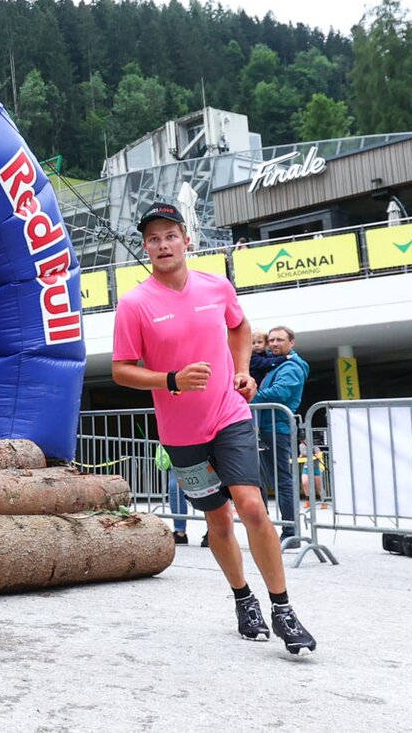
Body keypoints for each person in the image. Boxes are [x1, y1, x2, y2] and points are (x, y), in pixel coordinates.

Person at [110, 200, 316, 654]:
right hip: (182, 433)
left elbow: (240, 328)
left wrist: (242, 370)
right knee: (218, 518)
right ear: (144, 248)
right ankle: (244, 599)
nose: (163, 244)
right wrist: (171, 381)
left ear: (187, 239)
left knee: (252, 507)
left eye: (170, 235)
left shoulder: (216, 285)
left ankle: (283, 608)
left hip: (229, 413)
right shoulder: (135, 304)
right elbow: (122, 370)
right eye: (153, 238)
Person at [252, 326, 307, 542]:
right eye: (271, 340)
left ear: (291, 343)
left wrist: (246, 397)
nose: (274, 344)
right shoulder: (276, 364)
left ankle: (290, 531)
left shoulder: (291, 366)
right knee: (261, 479)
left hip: (275, 428)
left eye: (280, 340)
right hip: (265, 427)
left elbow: (279, 393)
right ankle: (268, 530)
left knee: (281, 479)